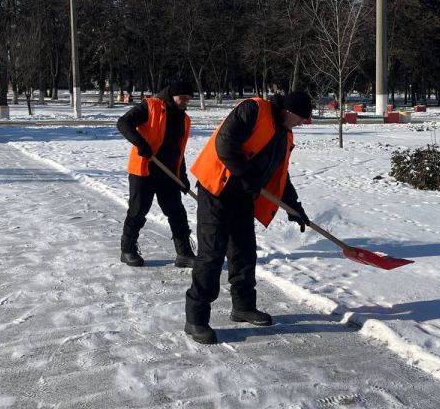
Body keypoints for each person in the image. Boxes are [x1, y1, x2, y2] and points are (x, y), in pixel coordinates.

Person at [183, 92, 314, 345]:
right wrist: (247, 177)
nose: (302, 123)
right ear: (288, 111)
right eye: (301, 118)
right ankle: (195, 319)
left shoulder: (284, 133)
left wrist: (294, 207)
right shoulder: (253, 110)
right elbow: (225, 144)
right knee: (211, 254)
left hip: (243, 195)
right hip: (216, 189)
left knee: (244, 252)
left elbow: (280, 175)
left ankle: (242, 307)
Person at [116, 79, 196, 268]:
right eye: (182, 98)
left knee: (177, 212)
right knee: (138, 211)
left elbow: (179, 151)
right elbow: (123, 123)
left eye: (188, 99)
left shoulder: (184, 119)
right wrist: (141, 143)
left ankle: (184, 253)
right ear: (171, 95)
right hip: (144, 169)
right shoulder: (150, 106)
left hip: (167, 173)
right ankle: (127, 249)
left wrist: (182, 177)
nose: (185, 102)